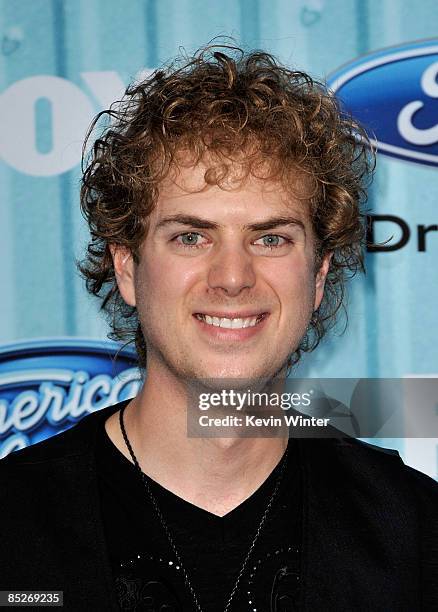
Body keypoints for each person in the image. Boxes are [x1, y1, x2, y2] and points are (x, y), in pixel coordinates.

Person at [1, 45, 437, 612]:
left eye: (271, 238)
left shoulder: (413, 534)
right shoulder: (12, 523)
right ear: (127, 268)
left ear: (319, 276)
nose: (233, 277)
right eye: (191, 236)